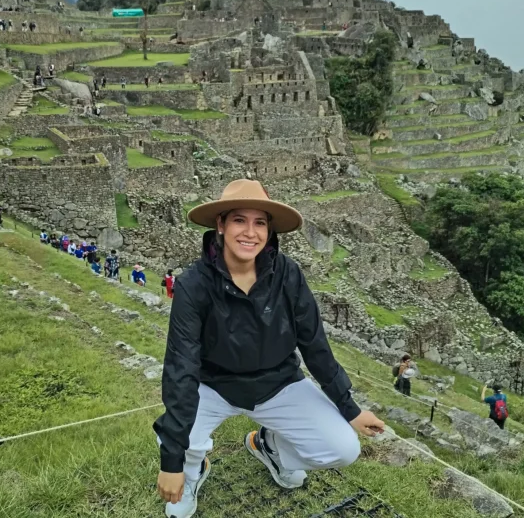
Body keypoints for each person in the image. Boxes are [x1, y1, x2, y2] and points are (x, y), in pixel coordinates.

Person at [154, 180, 384, 517]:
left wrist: (349, 408)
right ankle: (192, 472)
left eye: (260, 222)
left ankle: (270, 446)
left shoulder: (287, 274)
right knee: (173, 444)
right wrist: (172, 462)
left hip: (278, 382)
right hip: (212, 385)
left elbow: (314, 343)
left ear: (269, 229)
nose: (250, 232)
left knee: (343, 448)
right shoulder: (194, 285)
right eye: (239, 220)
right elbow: (181, 367)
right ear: (220, 224)